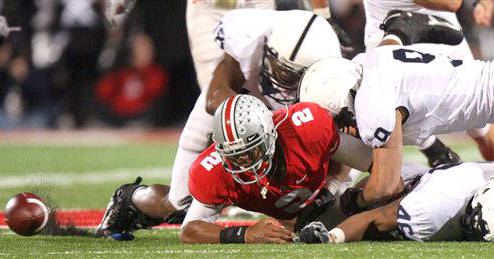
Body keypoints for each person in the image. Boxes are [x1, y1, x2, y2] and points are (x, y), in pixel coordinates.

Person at [299, 10, 494, 216]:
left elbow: (387, 186)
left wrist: (356, 200)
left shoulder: (372, 102)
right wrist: (398, 31)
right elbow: (390, 44)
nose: (343, 128)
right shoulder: (365, 62)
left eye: (339, 120)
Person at [362, 0, 493, 167]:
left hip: (439, 32)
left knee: (482, 127)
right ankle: (430, 146)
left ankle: (430, 146)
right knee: (377, 123)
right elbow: (451, 3)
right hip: (392, 36)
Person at [298, 162, 494, 243]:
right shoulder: (434, 207)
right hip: (408, 183)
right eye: (473, 220)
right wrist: (330, 237)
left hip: (433, 177)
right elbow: (375, 218)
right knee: (341, 213)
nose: (472, 228)